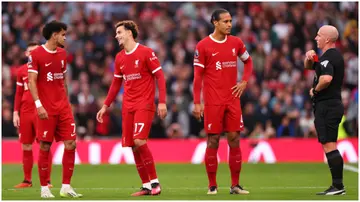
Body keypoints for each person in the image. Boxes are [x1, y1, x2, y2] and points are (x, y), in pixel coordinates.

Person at [96, 20, 167, 196]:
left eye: (119, 32)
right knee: (133, 146)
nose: (116, 36)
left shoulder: (146, 52)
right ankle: (146, 185)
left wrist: (162, 102)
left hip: (144, 103)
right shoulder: (119, 57)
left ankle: (155, 183)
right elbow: (115, 84)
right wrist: (105, 105)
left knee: (139, 141)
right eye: (116, 33)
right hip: (128, 106)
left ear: (129, 33)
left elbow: (160, 77)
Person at [192, 8, 253, 195]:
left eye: (230, 21)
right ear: (215, 23)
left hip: (232, 100)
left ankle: (235, 185)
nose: (229, 24)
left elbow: (248, 62)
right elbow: (197, 77)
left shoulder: (236, 42)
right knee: (213, 140)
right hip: (213, 102)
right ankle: (212, 185)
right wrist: (197, 102)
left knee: (235, 139)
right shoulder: (203, 46)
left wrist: (244, 82)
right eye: (225, 21)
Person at [28, 20, 82, 198]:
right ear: (54, 35)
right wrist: (38, 105)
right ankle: (44, 188)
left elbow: (63, 81)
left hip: (63, 108)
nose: (65, 37)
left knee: (71, 143)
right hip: (46, 108)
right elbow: (32, 81)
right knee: (45, 145)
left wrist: (67, 103)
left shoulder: (62, 54)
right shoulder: (36, 55)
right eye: (63, 34)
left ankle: (66, 186)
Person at [304, 25, 346, 195]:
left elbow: (326, 78)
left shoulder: (329, 58)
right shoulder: (328, 57)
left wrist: (315, 90)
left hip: (327, 105)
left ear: (327, 39)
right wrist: (309, 58)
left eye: (319, 35)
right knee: (329, 144)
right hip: (330, 105)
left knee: (329, 145)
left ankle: (338, 186)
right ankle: (337, 186)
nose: (316, 38)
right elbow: (311, 67)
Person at [13, 42, 53, 189]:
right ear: (26, 54)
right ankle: (27, 180)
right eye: (30, 51)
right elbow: (18, 93)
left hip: (40, 110)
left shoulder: (44, 69)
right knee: (26, 145)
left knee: (45, 144)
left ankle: (47, 181)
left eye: (35, 51)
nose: (32, 54)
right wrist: (15, 112)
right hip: (25, 112)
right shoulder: (21, 71)